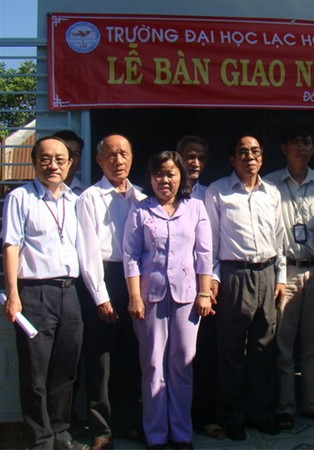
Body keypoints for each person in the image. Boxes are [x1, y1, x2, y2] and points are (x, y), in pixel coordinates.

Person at [123, 151, 213, 449]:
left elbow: (204, 253)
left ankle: (181, 432)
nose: (165, 179)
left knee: (182, 363)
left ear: (181, 177)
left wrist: (204, 292)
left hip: (187, 297)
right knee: (152, 365)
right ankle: (156, 434)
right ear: (150, 178)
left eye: (171, 174)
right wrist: (134, 296)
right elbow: (131, 256)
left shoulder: (195, 207)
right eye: (159, 174)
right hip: (150, 297)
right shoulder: (140, 210)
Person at [2, 136, 87, 449]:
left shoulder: (76, 199)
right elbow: (11, 245)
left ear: (70, 163)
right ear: (35, 162)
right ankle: (40, 439)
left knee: (66, 369)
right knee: (35, 372)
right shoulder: (20, 198)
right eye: (46, 159)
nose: (53, 165)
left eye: (60, 159)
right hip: (35, 293)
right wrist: (13, 294)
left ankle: (61, 433)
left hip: (71, 293)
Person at [204, 134, 286, 441]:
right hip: (234, 276)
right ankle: (232, 416)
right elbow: (210, 243)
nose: (249, 157)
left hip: (267, 274)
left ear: (262, 156)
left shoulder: (272, 192)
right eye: (242, 152)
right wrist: (213, 279)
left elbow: (280, 239)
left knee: (264, 348)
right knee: (232, 351)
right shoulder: (218, 191)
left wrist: (280, 277)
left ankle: (261, 413)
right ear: (232, 159)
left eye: (255, 152)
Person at [264, 125, 314, 429]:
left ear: (313, 148)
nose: (302, 147)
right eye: (295, 142)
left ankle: (312, 403)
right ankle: (284, 406)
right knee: (282, 343)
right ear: (284, 148)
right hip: (285, 273)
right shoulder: (269, 184)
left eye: (307, 142)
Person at [76, 134, 145, 449]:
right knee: (101, 359)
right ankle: (101, 429)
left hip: (135, 282)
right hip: (103, 278)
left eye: (124, 154)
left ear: (131, 157)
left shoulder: (142, 196)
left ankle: (127, 421)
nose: (118, 161)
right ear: (99, 161)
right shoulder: (89, 198)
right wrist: (101, 298)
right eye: (111, 155)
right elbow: (88, 252)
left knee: (131, 354)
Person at [175, 135, 222, 438]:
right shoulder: (162, 191)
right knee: (172, 357)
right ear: (177, 156)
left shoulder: (210, 194)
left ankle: (204, 416)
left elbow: (215, 243)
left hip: (206, 288)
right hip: (172, 288)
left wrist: (213, 278)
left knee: (204, 354)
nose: (195, 163)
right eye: (189, 156)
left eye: (201, 157)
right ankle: (171, 417)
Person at [52, 130, 86, 195]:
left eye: (75, 154)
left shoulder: (85, 194)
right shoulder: (32, 194)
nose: (70, 159)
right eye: (63, 154)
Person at [176, 135, 210, 200]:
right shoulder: (167, 192)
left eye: (201, 158)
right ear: (178, 158)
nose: (196, 164)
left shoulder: (209, 194)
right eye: (191, 157)